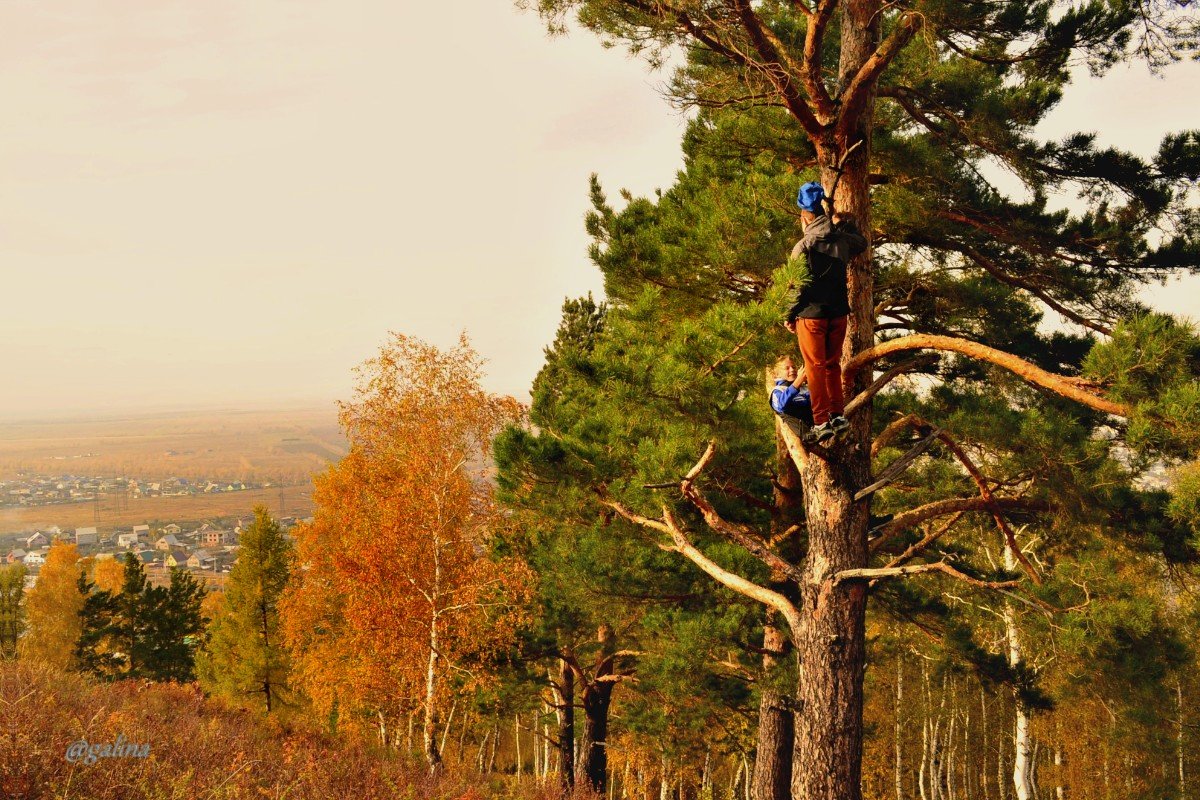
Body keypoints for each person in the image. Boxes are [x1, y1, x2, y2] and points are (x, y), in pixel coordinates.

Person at [784, 181, 868, 444]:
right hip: (839, 314)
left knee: (814, 367)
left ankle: (821, 421)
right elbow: (861, 243)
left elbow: (796, 287)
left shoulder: (803, 246)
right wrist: (843, 223)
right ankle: (837, 415)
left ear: (804, 217)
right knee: (832, 365)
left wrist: (788, 315)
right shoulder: (841, 240)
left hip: (811, 316)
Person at [769, 355, 814, 430]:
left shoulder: (804, 387)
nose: (792, 370)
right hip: (805, 437)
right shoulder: (777, 391)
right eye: (787, 368)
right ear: (777, 374)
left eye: (794, 367)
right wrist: (797, 382)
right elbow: (781, 405)